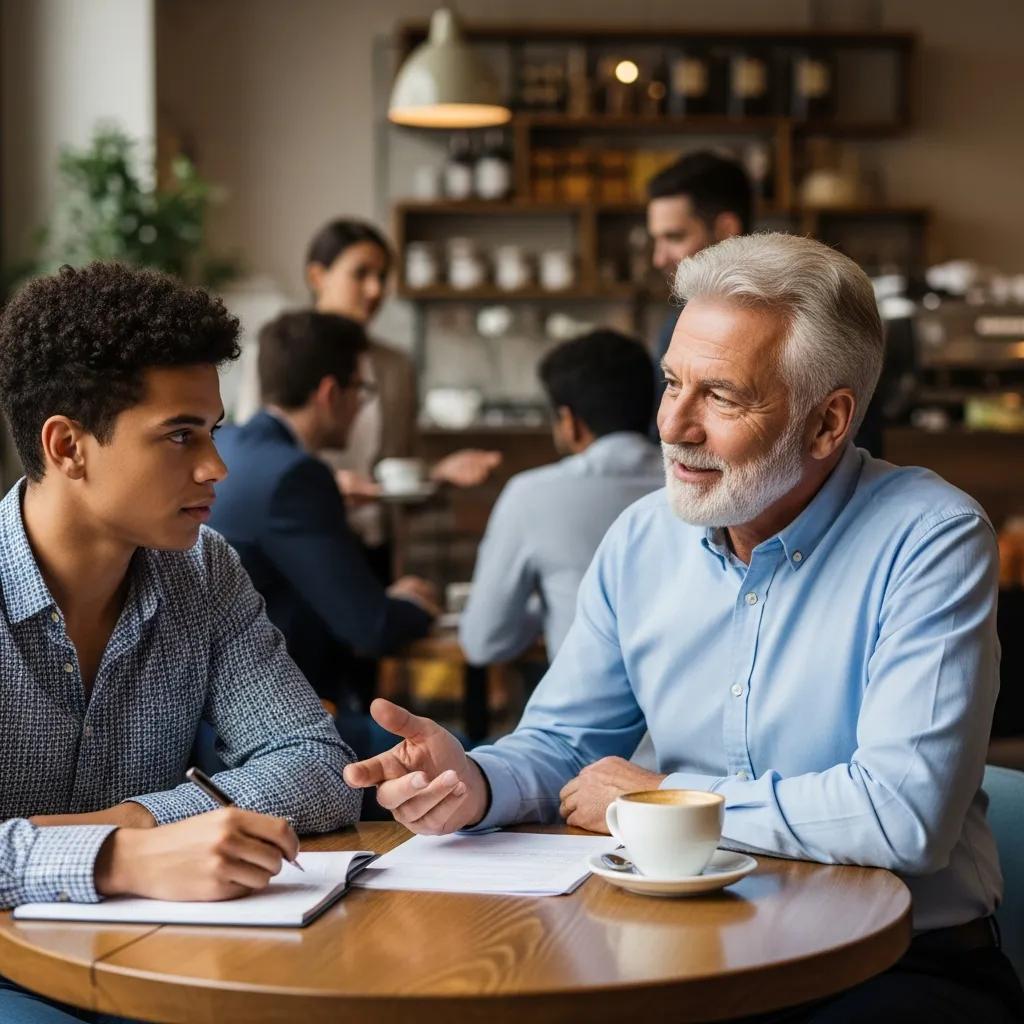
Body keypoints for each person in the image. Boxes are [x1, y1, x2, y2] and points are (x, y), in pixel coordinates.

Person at [342, 234, 1024, 1021]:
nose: (675, 424)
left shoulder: (931, 538)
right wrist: (477, 782)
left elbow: (901, 815)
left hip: (900, 968)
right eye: (672, 383)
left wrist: (665, 799)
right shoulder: (641, 537)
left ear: (828, 422)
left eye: (721, 396)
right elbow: (565, 744)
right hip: (687, 949)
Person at [0, 263, 358, 1023]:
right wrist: (120, 857)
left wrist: (137, 820)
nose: (216, 467)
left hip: (164, 956)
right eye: (179, 436)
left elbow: (316, 764)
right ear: (67, 447)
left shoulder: (204, 569)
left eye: (214, 431)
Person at [209, 310, 438, 753]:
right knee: (469, 754)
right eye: (362, 390)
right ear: (331, 393)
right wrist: (416, 602)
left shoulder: (228, 446)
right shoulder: (297, 476)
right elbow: (369, 626)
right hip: (279, 724)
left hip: (216, 716)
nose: (361, 406)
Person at [305, 218, 501, 574]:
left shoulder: (396, 367)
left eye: (382, 277)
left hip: (377, 546)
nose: (375, 289)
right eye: (360, 273)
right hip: (308, 544)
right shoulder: (282, 356)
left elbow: (402, 464)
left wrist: (439, 471)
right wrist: (326, 488)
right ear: (318, 276)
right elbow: (261, 457)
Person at [459, 329, 663, 664]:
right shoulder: (695, 483)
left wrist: (549, 604)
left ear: (569, 422)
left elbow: (485, 642)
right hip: (693, 709)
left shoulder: (531, 496)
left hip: (587, 711)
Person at [646, 151, 751, 406]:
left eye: (674, 237)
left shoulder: (797, 323)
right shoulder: (678, 323)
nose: (658, 259)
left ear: (726, 231)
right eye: (656, 240)